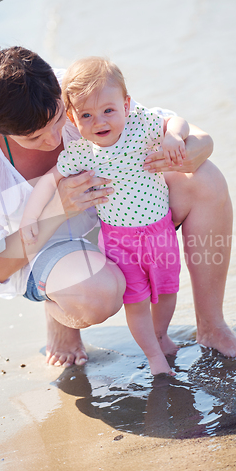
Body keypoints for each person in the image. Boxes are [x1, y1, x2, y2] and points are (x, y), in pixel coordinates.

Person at [0, 46, 236, 371]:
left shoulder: (76, 89)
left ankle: (212, 326)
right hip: (47, 247)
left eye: (58, 119)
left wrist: (199, 148)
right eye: (34, 137)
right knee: (98, 295)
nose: (53, 139)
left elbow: (163, 122)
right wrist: (56, 210)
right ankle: (59, 314)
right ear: (2, 132)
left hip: (124, 218)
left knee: (206, 179)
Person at [20, 57, 191, 375]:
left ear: (126, 105)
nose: (99, 120)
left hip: (160, 232)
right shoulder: (81, 152)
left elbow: (177, 120)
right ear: (72, 117)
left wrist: (174, 138)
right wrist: (30, 217)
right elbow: (50, 180)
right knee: (137, 301)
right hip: (119, 241)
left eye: (108, 110)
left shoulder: (143, 127)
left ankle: (161, 335)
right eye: (86, 115)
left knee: (167, 291)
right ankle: (154, 357)